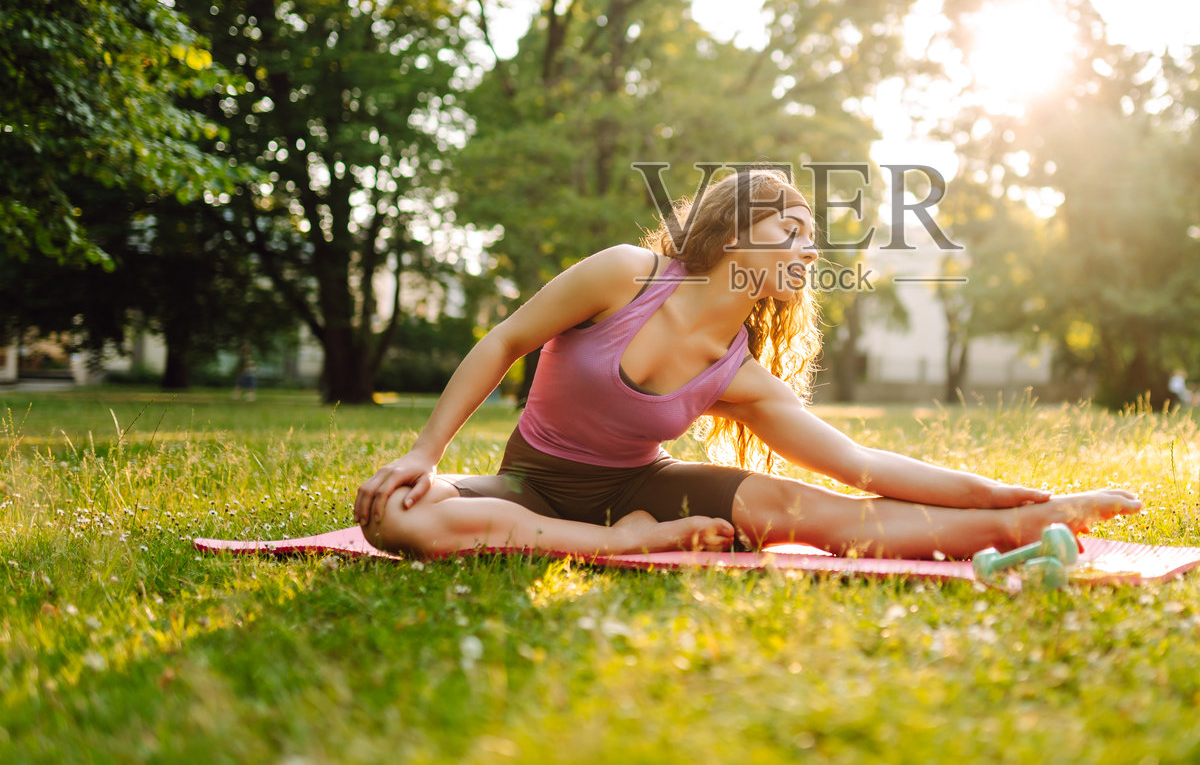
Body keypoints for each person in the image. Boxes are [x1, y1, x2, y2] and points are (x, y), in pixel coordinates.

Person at [353, 169, 1142, 559]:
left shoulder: (738, 374)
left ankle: (1019, 528)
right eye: (790, 229)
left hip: (640, 488)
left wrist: (998, 496)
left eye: (811, 237)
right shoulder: (624, 274)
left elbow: (861, 468)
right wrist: (424, 453)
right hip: (532, 484)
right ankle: (624, 544)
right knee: (393, 515)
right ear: (732, 231)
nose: (809, 249)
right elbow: (504, 341)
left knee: (814, 512)